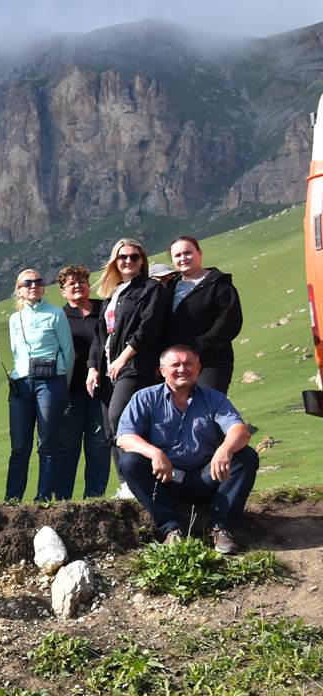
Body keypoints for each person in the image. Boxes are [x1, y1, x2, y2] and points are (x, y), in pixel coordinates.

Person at [115, 345, 259, 553]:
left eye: (188, 364)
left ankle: (222, 529)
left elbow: (240, 430)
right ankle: (172, 529)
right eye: (176, 365)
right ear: (162, 370)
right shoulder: (144, 398)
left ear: (198, 368)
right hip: (165, 478)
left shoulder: (214, 399)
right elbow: (125, 437)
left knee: (246, 456)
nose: (182, 369)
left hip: (207, 476)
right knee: (130, 462)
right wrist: (155, 453)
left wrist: (225, 448)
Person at [87, 238, 173, 444]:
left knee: (119, 417)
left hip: (134, 365)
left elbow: (148, 327)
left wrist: (123, 359)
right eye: (122, 257)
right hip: (108, 366)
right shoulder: (112, 294)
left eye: (134, 257)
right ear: (115, 262)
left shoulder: (151, 288)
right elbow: (99, 336)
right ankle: (126, 476)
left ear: (142, 261)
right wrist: (92, 368)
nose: (128, 260)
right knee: (110, 428)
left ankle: (141, 467)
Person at [6, 269, 75, 503]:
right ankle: (12, 499)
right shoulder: (15, 319)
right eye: (27, 282)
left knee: (47, 442)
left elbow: (68, 352)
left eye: (38, 281)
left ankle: (43, 498)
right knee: (19, 446)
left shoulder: (56, 314)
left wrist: (62, 386)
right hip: (21, 383)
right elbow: (16, 352)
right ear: (19, 289)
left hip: (51, 382)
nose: (33, 285)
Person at [50, 266, 110, 500]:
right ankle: (63, 501)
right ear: (62, 291)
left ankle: (94, 499)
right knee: (67, 447)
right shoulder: (59, 316)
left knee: (99, 445)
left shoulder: (105, 309)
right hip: (69, 391)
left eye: (82, 281)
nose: (78, 286)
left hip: (102, 389)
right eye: (71, 284)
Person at [167, 235, 243, 392]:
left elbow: (229, 323)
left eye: (187, 253)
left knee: (204, 407)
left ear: (199, 253)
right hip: (175, 365)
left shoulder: (220, 285)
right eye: (178, 255)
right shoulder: (169, 287)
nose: (183, 258)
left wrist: (198, 347)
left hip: (211, 361)